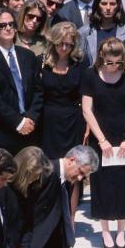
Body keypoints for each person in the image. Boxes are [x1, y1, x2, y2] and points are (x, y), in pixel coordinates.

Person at [81, 38, 125, 248]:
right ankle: (106, 231)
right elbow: (87, 110)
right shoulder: (90, 75)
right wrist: (102, 140)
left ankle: (121, 231)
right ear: (101, 58)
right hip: (102, 135)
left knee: (124, 183)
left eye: (118, 62)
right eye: (110, 62)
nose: (114, 66)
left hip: (124, 135)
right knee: (103, 184)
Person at [13, 145, 98, 248]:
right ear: (72, 160)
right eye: (80, 173)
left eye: (83, 177)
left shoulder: (67, 178)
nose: (80, 178)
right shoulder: (45, 173)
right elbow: (30, 212)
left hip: (52, 245)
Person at [0, 8, 44, 154]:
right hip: (1, 133)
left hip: (29, 130)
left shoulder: (28, 56)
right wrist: (18, 122)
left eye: (11, 24)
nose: (8, 28)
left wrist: (31, 118)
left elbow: (38, 91)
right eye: (2, 25)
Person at [40, 22, 87, 159]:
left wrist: (88, 125)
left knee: (73, 161)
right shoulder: (42, 62)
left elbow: (86, 95)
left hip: (73, 120)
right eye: (61, 43)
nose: (65, 48)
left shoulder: (80, 64)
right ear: (54, 41)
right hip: (48, 120)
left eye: (69, 44)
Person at [77, 0, 125, 68]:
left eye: (112, 4)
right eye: (104, 4)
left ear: (118, 5)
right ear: (97, 5)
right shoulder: (84, 32)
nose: (108, 8)